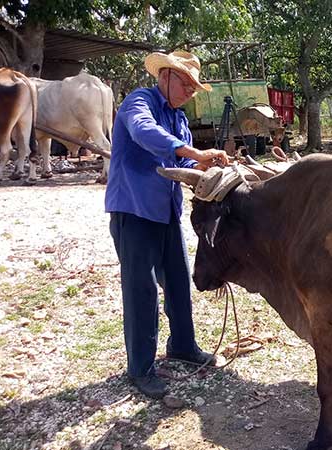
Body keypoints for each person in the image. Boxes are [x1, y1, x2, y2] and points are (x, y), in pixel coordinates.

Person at [105, 51, 229, 399]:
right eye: (185, 83)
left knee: (177, 280)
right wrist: (194, 153)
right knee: (141, 290)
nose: (189, 91)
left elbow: (181, 165)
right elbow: (145, 132)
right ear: (164, 76)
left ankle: (183, 346)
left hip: (165, 212)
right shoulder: (139, 102)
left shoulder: (179, 119)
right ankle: (140, 368)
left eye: (193, 87)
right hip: (134, 210)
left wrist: (206, 169)